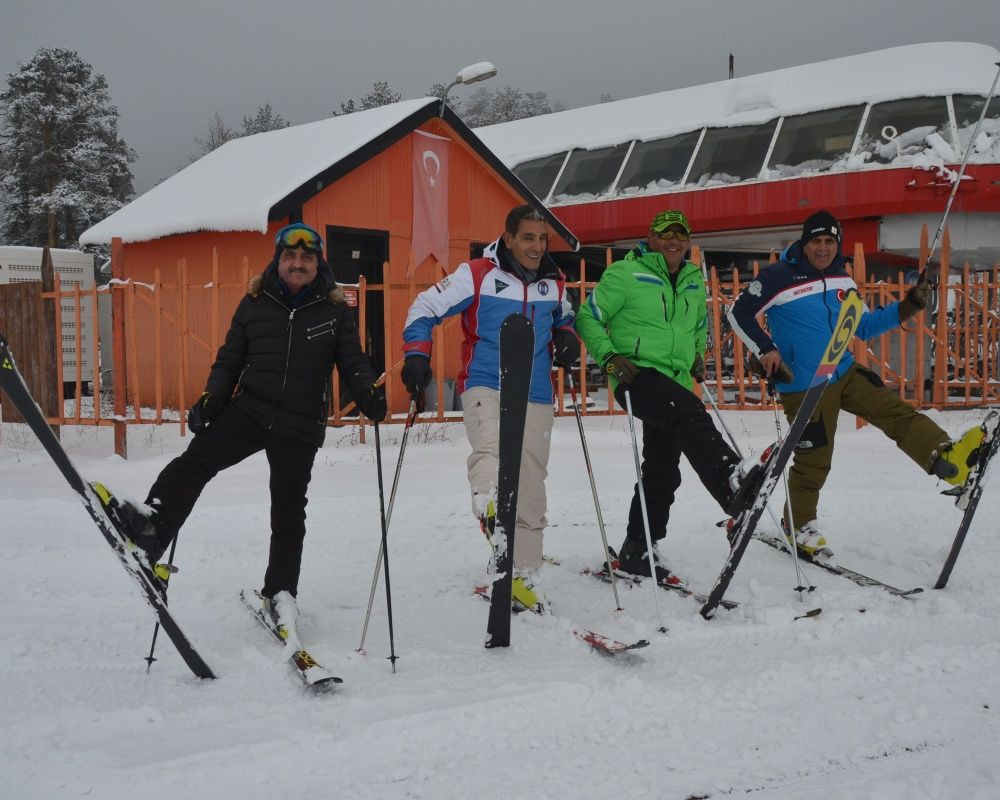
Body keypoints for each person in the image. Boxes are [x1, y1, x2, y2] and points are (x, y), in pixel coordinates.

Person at [96, 222, 386, 623]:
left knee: (287, 511)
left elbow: (352, 359)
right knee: (194, 462)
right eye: (290, 257)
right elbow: (230, 357)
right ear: (278, 260)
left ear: (317, 264)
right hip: (252, 408)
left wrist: (368, 390)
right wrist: (211, 399)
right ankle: (151, 531)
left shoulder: (334, 309)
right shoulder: (255, 301)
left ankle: (280, 594)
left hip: (300, 420)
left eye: (306, 258)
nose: (297, 264)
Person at [728, 209, 984, 559]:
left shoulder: (842, 281)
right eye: (816, 241)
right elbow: (738, 312)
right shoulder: (778, 277)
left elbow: (863, 326)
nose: (823, 248)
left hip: (843, 371)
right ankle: (799, 525)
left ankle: (947, 459)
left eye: (829, 241)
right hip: (802, 385)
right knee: (815, 458)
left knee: (894, 410)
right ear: (805, 243)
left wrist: (909, 305)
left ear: (838, 244)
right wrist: (767, 349)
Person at [400, 205, 580, 611]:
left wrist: (567, 335)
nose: (536, 247)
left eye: (542, 238)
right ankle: (491, 507)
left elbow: (565, 317)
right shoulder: (477, 274)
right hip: (486, 383)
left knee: (532, 483)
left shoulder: (555, 280)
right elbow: (424, 308)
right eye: (528, 238)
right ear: (509, 237)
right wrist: (416, 353)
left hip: (535, 391)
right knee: (492, 452)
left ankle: (523, 575)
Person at [575, 209, 760, 580]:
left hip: (676, 380)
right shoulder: (625, 273)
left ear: (688, 241)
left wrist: (696, 354)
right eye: (666, 233)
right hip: (637, 374)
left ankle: (637, 548)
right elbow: (587, 316)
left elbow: (698, 325)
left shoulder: (693, 279)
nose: (674, 240)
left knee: (662, 470)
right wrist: (609, 356)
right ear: (652, 236)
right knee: (689, 414)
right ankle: (729, 482)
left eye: (681, 233)